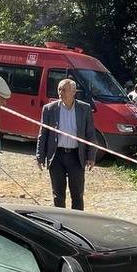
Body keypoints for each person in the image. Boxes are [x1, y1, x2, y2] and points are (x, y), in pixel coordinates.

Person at [36, 78, 97, 210]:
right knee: (58, 195)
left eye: (64, 90)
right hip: (56, 156)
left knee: (77, 194)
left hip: (76, 156)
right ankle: (60, 222)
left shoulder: (84, 109)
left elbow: (90, 134)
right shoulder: (49, 109)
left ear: (74, 92)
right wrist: (40, 155)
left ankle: (77, 222)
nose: (60, 92)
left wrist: (91, 156)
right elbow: (43, 133)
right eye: (59, 89)